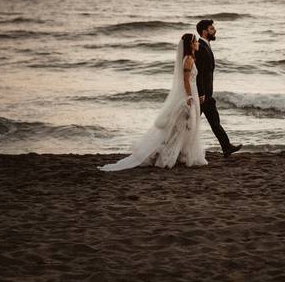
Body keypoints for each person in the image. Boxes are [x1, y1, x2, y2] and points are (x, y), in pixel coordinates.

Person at [98, 33, 207, 171]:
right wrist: (190, 97)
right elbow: (186, 80)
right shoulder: (189, 59)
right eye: (195, 41)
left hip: (191, 92)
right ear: (190, 45)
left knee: (185, 126)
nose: (197, 43)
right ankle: (171, 155)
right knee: (183, 126)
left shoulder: (189, 58)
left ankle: (181, 154)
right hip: (189, 93)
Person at [195, 19, 241, 157]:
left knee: (214, 122)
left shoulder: (206, 45)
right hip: (202, 96)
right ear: (204, 31)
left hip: (207, 95)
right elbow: (199, 73)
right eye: (211, 29)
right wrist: (201, 93)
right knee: (188, 126)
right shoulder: (201, 48)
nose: (215, 31)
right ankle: (171, 147)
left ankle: (226, 147)